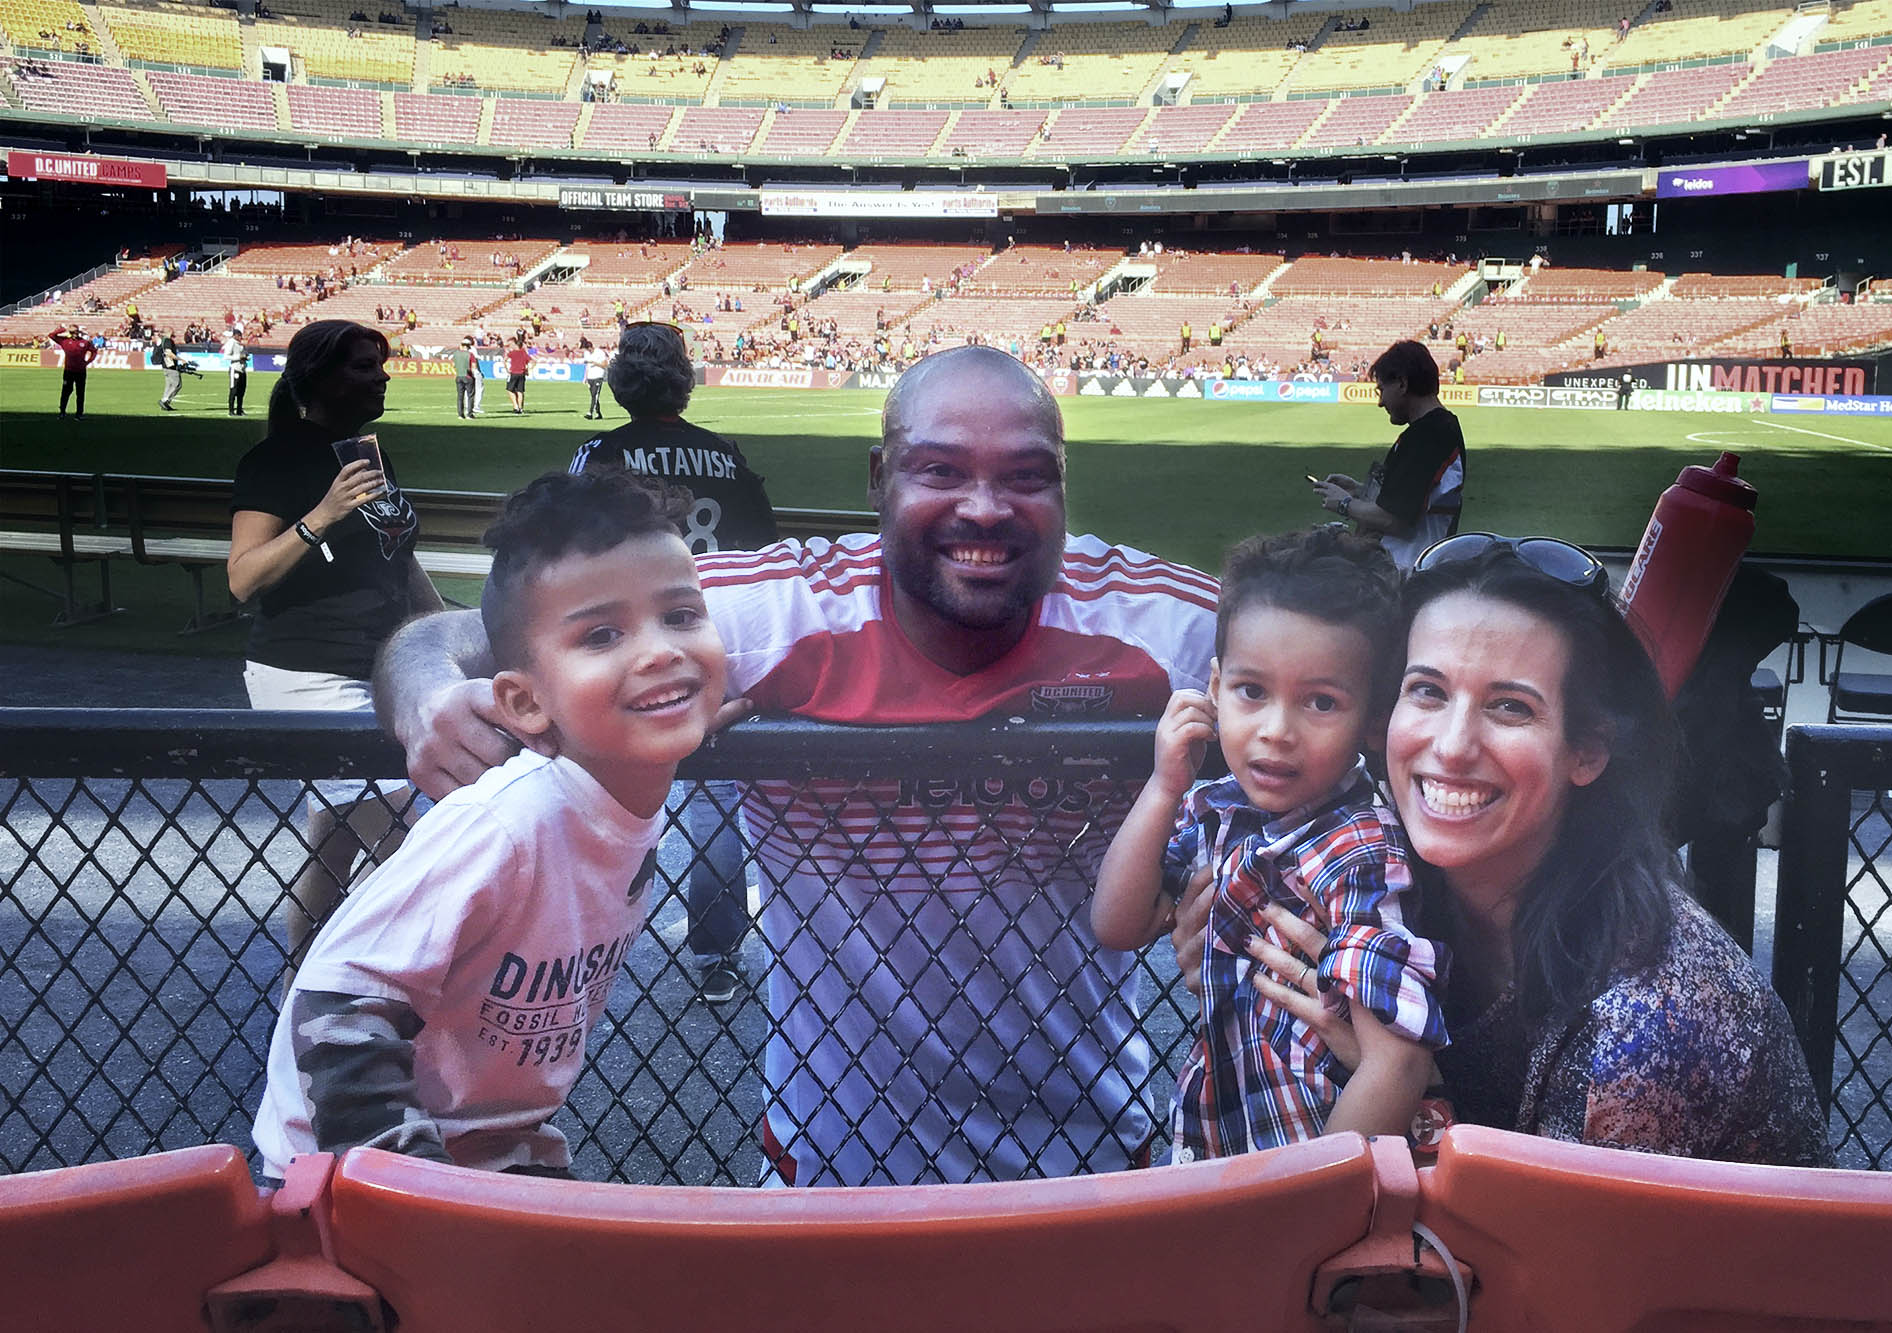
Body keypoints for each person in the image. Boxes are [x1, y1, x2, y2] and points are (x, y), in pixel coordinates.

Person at [374, 345, 1219, 1186]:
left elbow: (1341, 687)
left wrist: (1228, 876)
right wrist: (424, 694)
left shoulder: (1153, 621)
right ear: (879, 478)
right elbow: (460, 635)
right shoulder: (781, 609)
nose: (986, 508)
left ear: (1063, 485)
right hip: (834, 1152)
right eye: (941, 470)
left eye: (1028, 476)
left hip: (1087, 1140)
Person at [1235, 534, 1830, 1167]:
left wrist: (1413, 1087)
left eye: (1510, 707)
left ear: (1588, 750)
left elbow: (1544, 1258)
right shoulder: (1384, 879)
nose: (1453, 745)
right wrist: (1228, 955)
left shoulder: (1651, 1021)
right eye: (1429, 692)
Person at [253, 470, 725, 1179]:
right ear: (525, 703)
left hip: (494, 1150)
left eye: (682, 616)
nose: (660, 650)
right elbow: (333, 999)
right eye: (602, 634)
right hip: (348, 1174)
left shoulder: (623, 794)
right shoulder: (510, 820)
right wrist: (410, 1182)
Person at [1093, 527, 1443, 1160]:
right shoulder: (1215, 808)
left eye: (1320, 702)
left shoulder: (1360, 849)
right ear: (1216, 686)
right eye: (1251, 692)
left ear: (1372, 721)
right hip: (1225, 1140)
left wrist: (1308, 1209)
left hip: (1306, 1151)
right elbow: (1118, 923)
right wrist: (1164, 786)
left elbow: (1398, 1066)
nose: (1277, 731)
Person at [569, 322, 778, 1005]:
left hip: (618, 648)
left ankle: (572, 945)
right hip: (709, 644)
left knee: (597, 793)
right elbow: (766, 557)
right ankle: (716, 955)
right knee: (714, 801)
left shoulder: (597, 454)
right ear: (684, 378)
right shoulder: (725, 455)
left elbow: (558, 553)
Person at [227, 320, 444, 965]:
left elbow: (397, 559)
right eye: (361, 367)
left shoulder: (365, 453)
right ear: (318, 377)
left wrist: (441, 633)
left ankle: (306, 983)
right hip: (309, 675)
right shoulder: (276, 461)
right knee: (412, 842)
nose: (380, 375)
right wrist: (321, 515)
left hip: (376, 668)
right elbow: (243, 579)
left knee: (337, 839)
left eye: (381, 364)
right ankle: (370, 990)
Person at [1310, 340, 1465, 570]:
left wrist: (1344, 504)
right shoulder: (1432, 430)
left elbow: (1395, 520)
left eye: (1381, 389)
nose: (1380, 402)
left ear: (1402, 384)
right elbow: (1412, 497)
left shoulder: (1430, 435)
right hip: (1409, 566)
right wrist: (1360, 490)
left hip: (1407, 570)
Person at [49, 323, 96, 418]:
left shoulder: (85, 342)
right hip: (69, 371)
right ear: (69, 333)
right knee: (66, 392)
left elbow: (94, 351)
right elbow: (51, 335)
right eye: (72, 332)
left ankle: (79, 414)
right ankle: (62, 412)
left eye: (75, 332)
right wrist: (63, 329)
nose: (74, 334)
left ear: (78, 332)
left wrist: (87, 362)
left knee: (80, 393)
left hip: (81, 372)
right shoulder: (65, 342)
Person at [223, 326, 251, 416]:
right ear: (235, 335)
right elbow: (226, 356)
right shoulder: (231, 343)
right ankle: (231, 411)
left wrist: (246, 357)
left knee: (241, 391)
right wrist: (238, 357)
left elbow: (243, 354)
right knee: (233, 390)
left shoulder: (240, 344)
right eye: (239, 336)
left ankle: (239, 410)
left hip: (242, 369)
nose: (240, 337)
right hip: (235, 369)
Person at [451, 336, 479, 419]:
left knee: (460, 396)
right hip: (468, 377)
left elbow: (453, 365)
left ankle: (460, 414)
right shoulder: (470, 354)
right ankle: (469, 414)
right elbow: (474, 367)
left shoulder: (456, 354)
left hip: (459, 376)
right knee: (470, 396)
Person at [581, 337, 609, 419]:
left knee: (595, 395)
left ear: (590, 347)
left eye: (588, 349)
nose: (587, 351)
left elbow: (605, 365)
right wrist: (585, 377)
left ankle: (590, 413)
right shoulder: (586, 353)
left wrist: (595, 363)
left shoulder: (600, 353)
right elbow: (587, 366)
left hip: (598, 376)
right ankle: (598, 413)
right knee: (594, 396)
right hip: (590, 376)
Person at [155, 330, 183, 411]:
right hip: (170, 366)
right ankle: (165, 401)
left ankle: (164, 405)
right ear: (169, 332)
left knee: (169, 386)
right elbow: (169, 353)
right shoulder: (168, 341)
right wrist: (181, 360)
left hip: (165, 366)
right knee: (177, 385)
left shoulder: (163, 340)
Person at [505, 336, 532, 414]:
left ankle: (515, 406)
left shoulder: (512, 353)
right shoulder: (524, 353)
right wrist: (527, 370)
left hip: (513, 373)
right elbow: (533, 361)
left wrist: (507, 369)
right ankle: (521, 408)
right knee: (520, 391)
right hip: (522, 374)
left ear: (516, 345)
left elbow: (505, 360)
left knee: (509, 390)